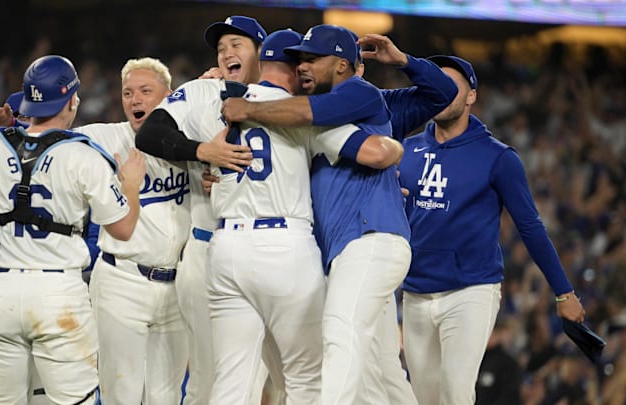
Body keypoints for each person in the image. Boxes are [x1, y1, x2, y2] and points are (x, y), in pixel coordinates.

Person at [221, 26, 458, 404]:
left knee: (339, 332)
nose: (303, 66)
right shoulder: (310, 117)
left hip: (369, 239)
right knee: (377, 370)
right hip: (347, 250)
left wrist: (402, 61)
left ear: (344, 65)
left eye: (313, 58)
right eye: (299, 59)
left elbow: (444, 94)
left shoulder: (360, 93)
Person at [198, 29, 402, 405]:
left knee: (233, 381)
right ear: (291, 71)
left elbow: (158, 132)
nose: (306, 69)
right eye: (301, 62)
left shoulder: (214, 98)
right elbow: (376, 153)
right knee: (310, 377)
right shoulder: (301, 114)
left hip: (224, 247)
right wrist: (395, 148)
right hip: (283, 247)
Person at [0, 54, 145, 404]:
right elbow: (123, 229)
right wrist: (130, 186)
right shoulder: (85, 156)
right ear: (72, 100)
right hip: (59, 293)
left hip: (0, 294)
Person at [397, 54, 585, 405]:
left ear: (472, 96)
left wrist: (563, 292)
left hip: (470, 290)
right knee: (424, 398)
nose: (441, 92)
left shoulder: (497, 157)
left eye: (451, 87)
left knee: (455, 393)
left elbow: (530, 227)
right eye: (433, 85)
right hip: (416, 291)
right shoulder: (405, 150)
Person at [135, 16, 276, 405]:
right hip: (206, 247)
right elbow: (150, 134)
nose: (227, 52)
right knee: (206, 378)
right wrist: (202, 152)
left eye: (237, 44)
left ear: (264, 52)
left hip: (267, 246)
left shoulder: (285, 98)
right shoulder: (202, 90)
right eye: (221, 48)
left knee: (266, 378)